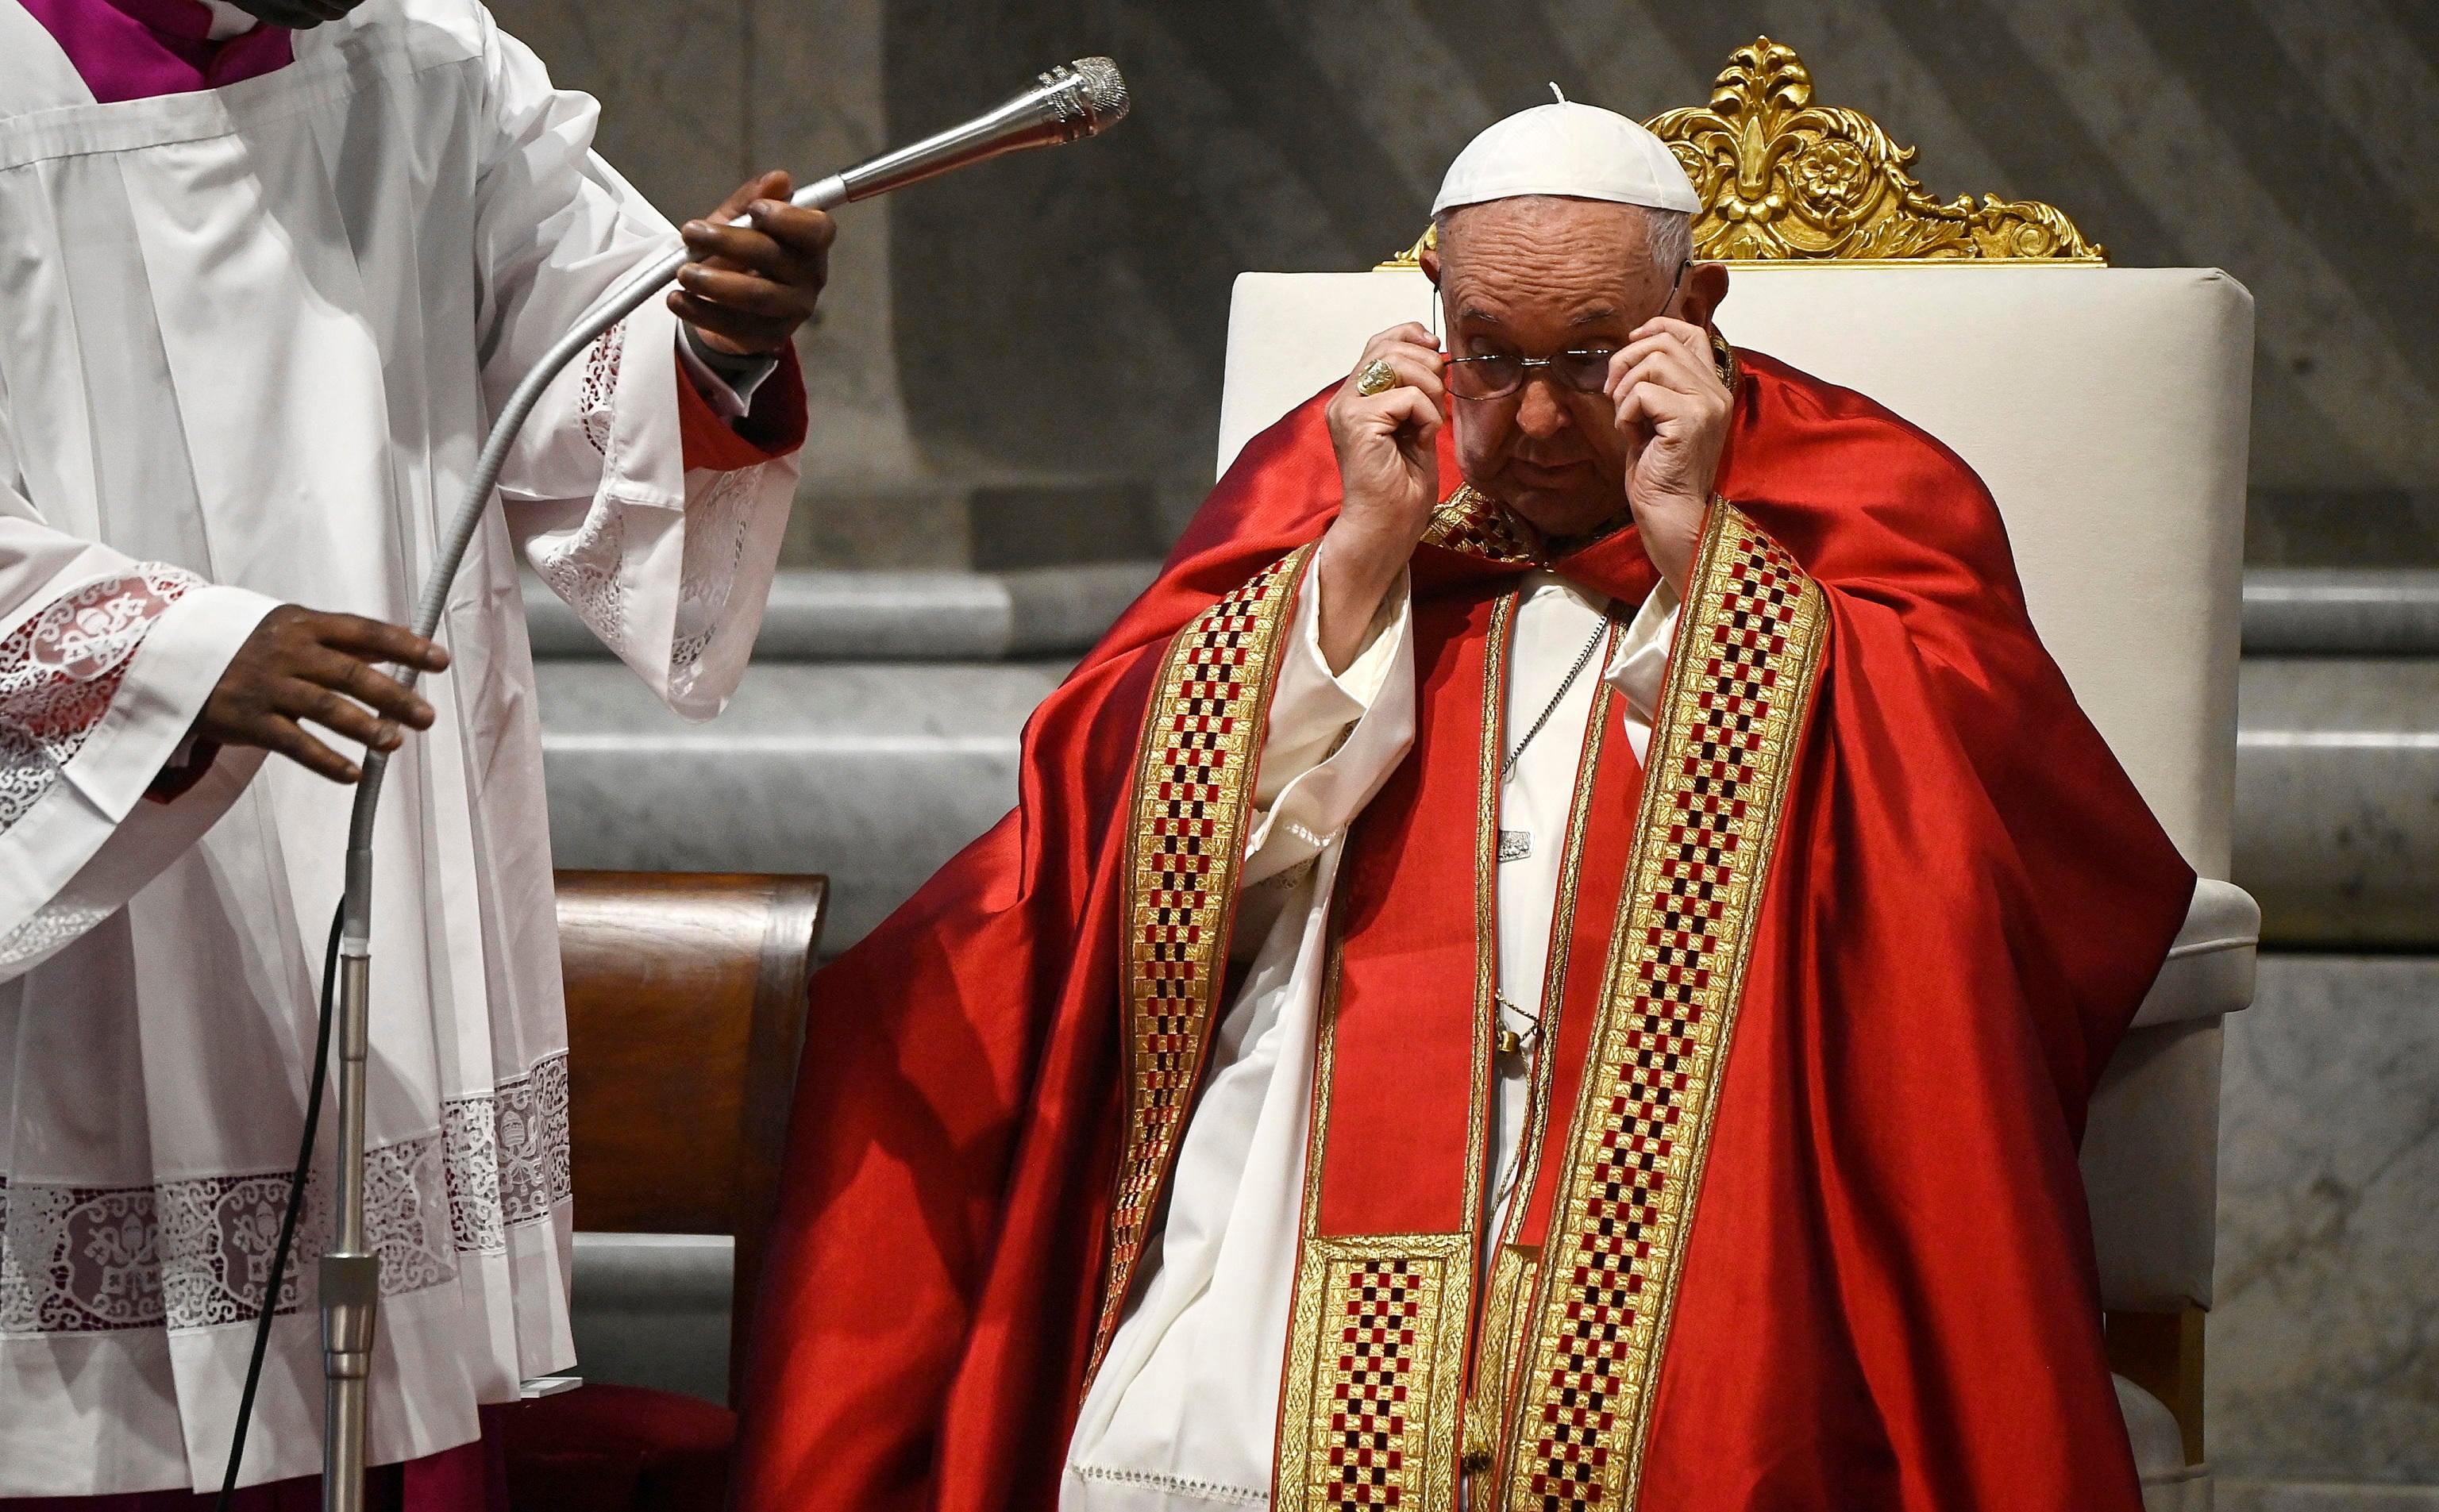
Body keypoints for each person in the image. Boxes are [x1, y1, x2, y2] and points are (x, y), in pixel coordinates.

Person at [733, 100, 2197, 1511]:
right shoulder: (1345, 462)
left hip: (1729, 1147)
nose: (1544, 416)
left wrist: (1707, 561)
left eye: (1593, 353)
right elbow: (1110, 802)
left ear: (1698, 299)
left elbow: (2005, 822)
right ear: (1431, 300)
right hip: (1322, 1129)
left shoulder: (1865, 485)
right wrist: (1360, 561)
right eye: (1491, 354)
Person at [0, 0, 834, 1501]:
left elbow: (600, 358)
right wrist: (168, 656)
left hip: (388, 845)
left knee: (378, 1396)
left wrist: (720, 333)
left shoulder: (428, 63)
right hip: (90, 901)